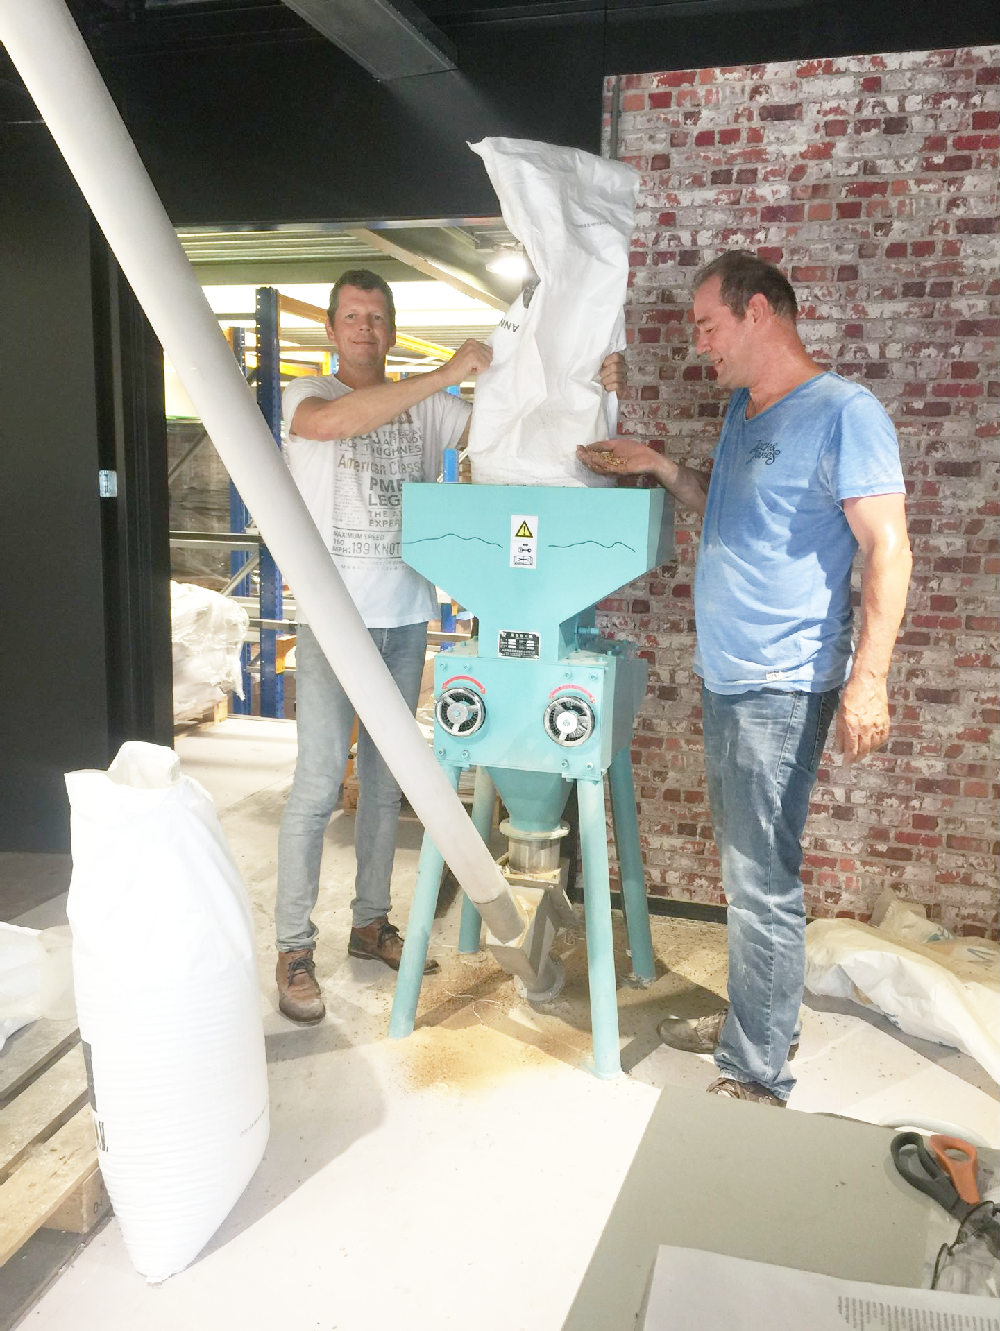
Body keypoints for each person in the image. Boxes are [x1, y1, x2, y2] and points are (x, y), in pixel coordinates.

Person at [579, 250, 912, 1106]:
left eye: (708, 326)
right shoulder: (743, 410)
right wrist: (659, 464)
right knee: (749, 871)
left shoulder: (844, 412)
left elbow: (888, 546)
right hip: (730, 677)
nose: (700, 345)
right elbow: (724, 507)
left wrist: (870, 678)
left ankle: (757, 1071)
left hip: (781, 682)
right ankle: (761, 1021)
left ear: (758, 312)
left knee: (760, 877)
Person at [276, 267, 626, 1024]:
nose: (365, 328)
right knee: (316, 785)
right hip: (333, 621)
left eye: (377, 317)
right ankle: (294, 946)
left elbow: (519, 432)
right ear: (332, 329)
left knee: (386, 783)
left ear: (391, 328)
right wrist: (446, 372)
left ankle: (371, 922)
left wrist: (594, 390)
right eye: (352, 316)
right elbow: (334, 426)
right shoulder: (306, 395)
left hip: (405, 619)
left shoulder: (431, 409)